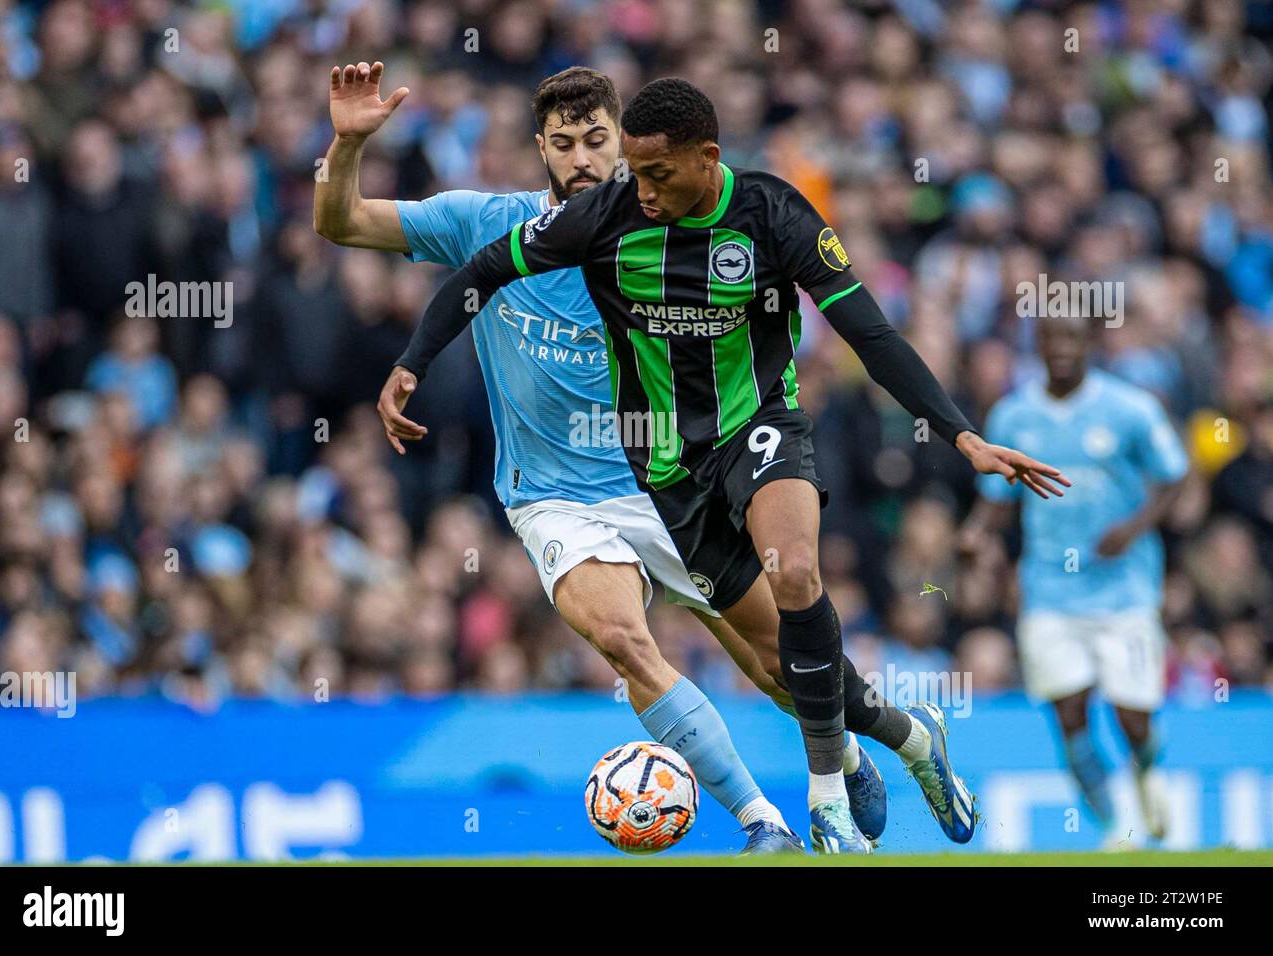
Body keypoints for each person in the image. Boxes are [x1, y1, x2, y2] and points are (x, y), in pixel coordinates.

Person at [389, 76, 1070, 852]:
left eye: (656, 174)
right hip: (669, 472)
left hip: (759, 428)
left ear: (706, 158)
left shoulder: (774, 215)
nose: (639, 192)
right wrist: (412, 362)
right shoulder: (604, 218)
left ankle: (823, 806)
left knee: (797, 573)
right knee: (782, 668)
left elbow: (870, 335)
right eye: (633, 175)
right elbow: (479, 274)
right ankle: (913, 738)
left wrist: (960, 435)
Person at [318, 62, 891, 854]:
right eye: (563, 144)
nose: (582, 158)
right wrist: (347, 145)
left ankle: (850, 750)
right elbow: (342, 223)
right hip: (552, 495)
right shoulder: (487, 225)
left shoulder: (669, 237)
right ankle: (765, 824)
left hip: (666, 482)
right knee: (624, 642)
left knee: (768, 663)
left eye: (597, 141)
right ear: (540, 150)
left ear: (621, 146)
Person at [961, 313, 1188, 846]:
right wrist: (976, 535)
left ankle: (1148, 770)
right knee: (1068, 713)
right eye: (1050, 339)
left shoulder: (1131, 409)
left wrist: (1132, 529)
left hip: (1124, 586)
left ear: (1090, 343)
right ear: (1037, 346)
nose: (1061, 348)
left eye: (1071, 337)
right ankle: (1117, 827)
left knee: (1133, 715)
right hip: (1048, 587)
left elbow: (1175, 476)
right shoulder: (1015, 416)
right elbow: (999, 496)